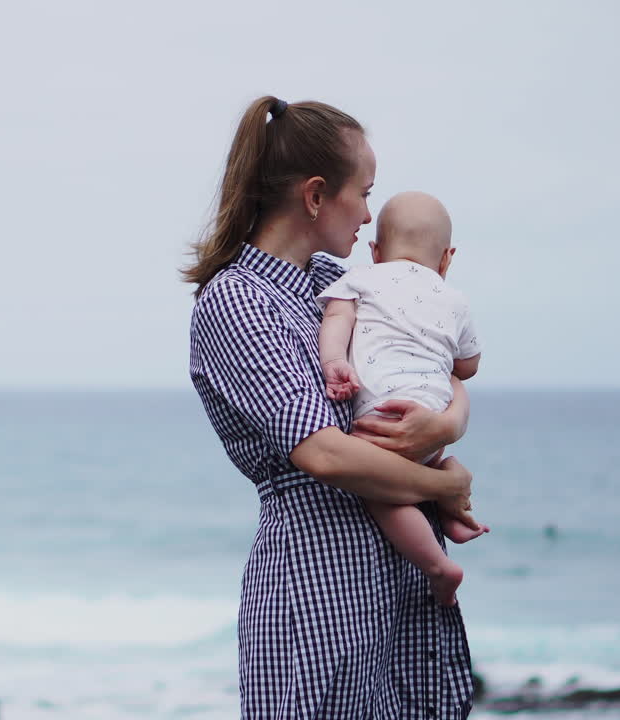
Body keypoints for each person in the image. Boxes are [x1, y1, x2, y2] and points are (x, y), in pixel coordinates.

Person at [184, 96, 480, 719]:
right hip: (320, 587)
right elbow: (321, 451)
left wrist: (449, 429)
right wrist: (440, 482)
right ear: (316, 197)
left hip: (398, 584)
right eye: (364, 193)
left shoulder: (342, 281)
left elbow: (438, 361)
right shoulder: (238, 302)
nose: (371, 216)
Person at [316, 190, 489, 607]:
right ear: (447, 258)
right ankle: (453, 516)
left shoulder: (360, 277)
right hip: (434, 412)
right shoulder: (455, 300)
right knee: (436, 462)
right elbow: (468, 366)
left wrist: (335, 361)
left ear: (375, 251)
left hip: (384, 415)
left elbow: (337, 317)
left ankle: (436, 565)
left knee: (382, 493)